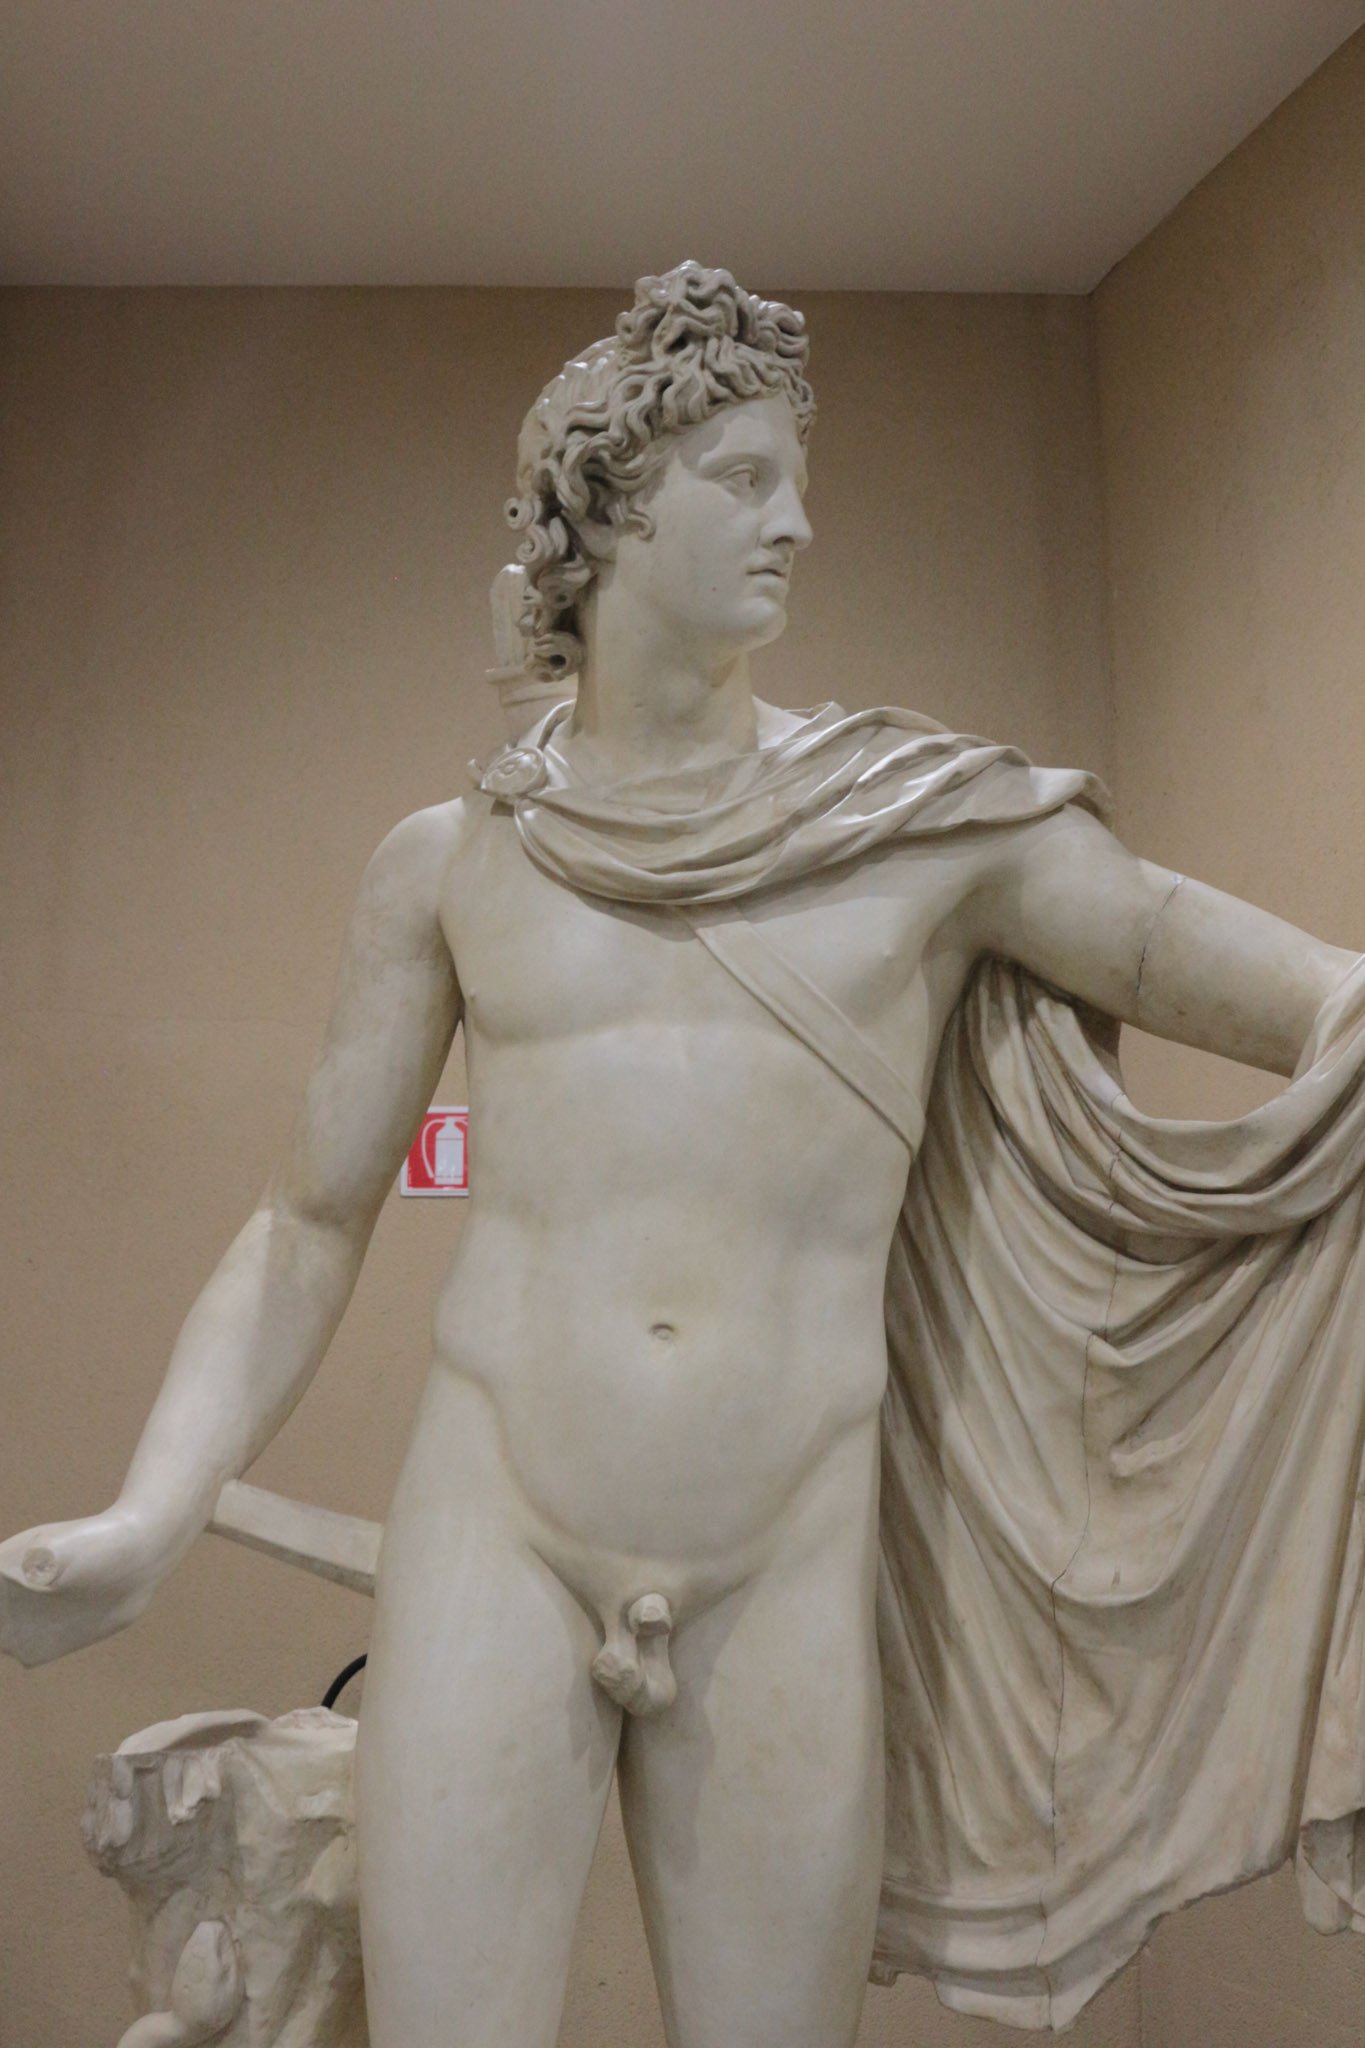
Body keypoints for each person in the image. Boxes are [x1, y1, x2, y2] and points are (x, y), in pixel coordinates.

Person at [2, 262, 1362, 2048]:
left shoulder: (928, 830)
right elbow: (308, 1221)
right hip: (498, 1527)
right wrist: (151, 1512)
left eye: (798, 480)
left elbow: (1312, 1000)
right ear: (608, 509)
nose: (795, 524)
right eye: (742, 478)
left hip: (785, 1544)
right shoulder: (452, 863)